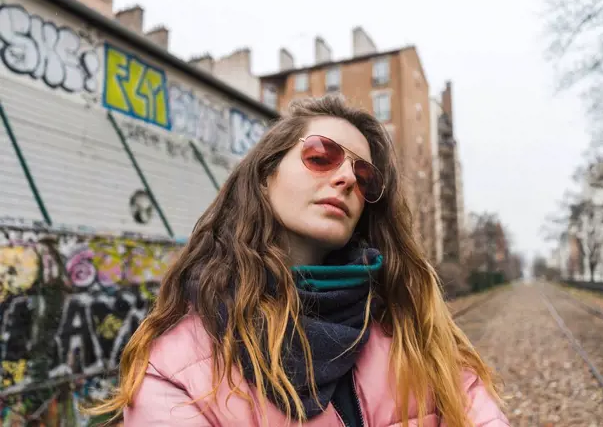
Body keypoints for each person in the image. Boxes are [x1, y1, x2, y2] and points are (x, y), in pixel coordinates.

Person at [88, 95, 509, 426]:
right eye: (321, 155)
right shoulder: (178, 370)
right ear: (266, 175)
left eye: (364, 177)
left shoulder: (410, 327)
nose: (345, 178)